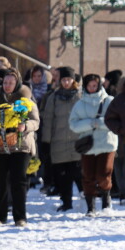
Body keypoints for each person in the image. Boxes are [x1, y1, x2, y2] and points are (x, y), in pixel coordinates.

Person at [0, 69, 40, 226]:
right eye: (5, 82)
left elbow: (36, 122)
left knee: (19, 181)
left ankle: (20, 217)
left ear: (17, 83)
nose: (7, 86)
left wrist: (25, 126)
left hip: (20, 145)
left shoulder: (26, 100)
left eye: (11, 83)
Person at [69, 74, 117, 216]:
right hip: (88, 145)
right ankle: (91, 206)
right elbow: (73, 124)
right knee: (88, 176)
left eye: (94, 85)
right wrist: (90, 123)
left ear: (99, 86)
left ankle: (106, 196)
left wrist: (99, 123)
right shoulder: (80, 104)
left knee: (103, 174)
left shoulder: (109, 101)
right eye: (89, 86)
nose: (92, 88)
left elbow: (115, 122)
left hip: (106, 144)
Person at [41, 68, 82, 212]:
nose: (66, 82)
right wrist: (46, 141)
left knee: (78, 173)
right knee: (62, 177)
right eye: (63, 80)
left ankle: (85, 200)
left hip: (76, 142)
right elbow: (48, 120)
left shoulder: (80, 96)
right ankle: (66, 201)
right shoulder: (54, 97)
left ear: (73, 80)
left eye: (68, 79)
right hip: (58, 142)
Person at [105, 77, 125, 204]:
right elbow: (109, 118)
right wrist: (120, 128)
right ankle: (123, 194)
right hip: (121, 140)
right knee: (119, 167)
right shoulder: (119, 100)